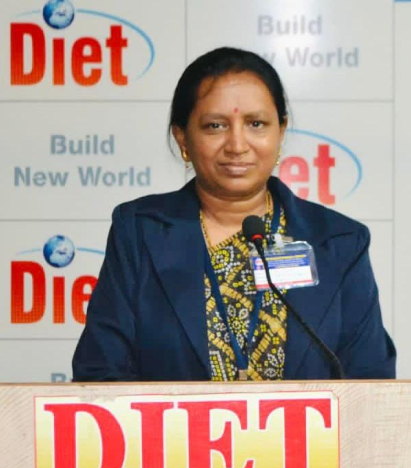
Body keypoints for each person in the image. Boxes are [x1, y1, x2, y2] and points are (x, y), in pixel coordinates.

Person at [72, 47, 396, 382]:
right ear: (182, 137)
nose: (237, 145)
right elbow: (99, 372)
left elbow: (370, 380)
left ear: (281, 131)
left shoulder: (339, 242)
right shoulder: (140, 232)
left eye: (256, 124)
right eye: (215, 126)